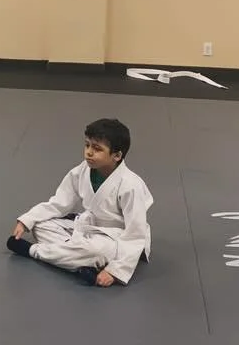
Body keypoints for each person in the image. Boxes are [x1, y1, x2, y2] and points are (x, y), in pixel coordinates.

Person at [8, 118, 152, 286]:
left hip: (115, 237)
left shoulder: (131, 185)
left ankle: (33, 251)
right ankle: (81, 263)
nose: (89, 152)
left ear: (117, 155)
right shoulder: (82, 170)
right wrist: (27, 220)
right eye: (87, 145)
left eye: (97, 148)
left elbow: (135, 234)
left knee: (95, 251)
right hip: (87, 228)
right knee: (39, 225)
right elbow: (59, 203)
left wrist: (115, 271)